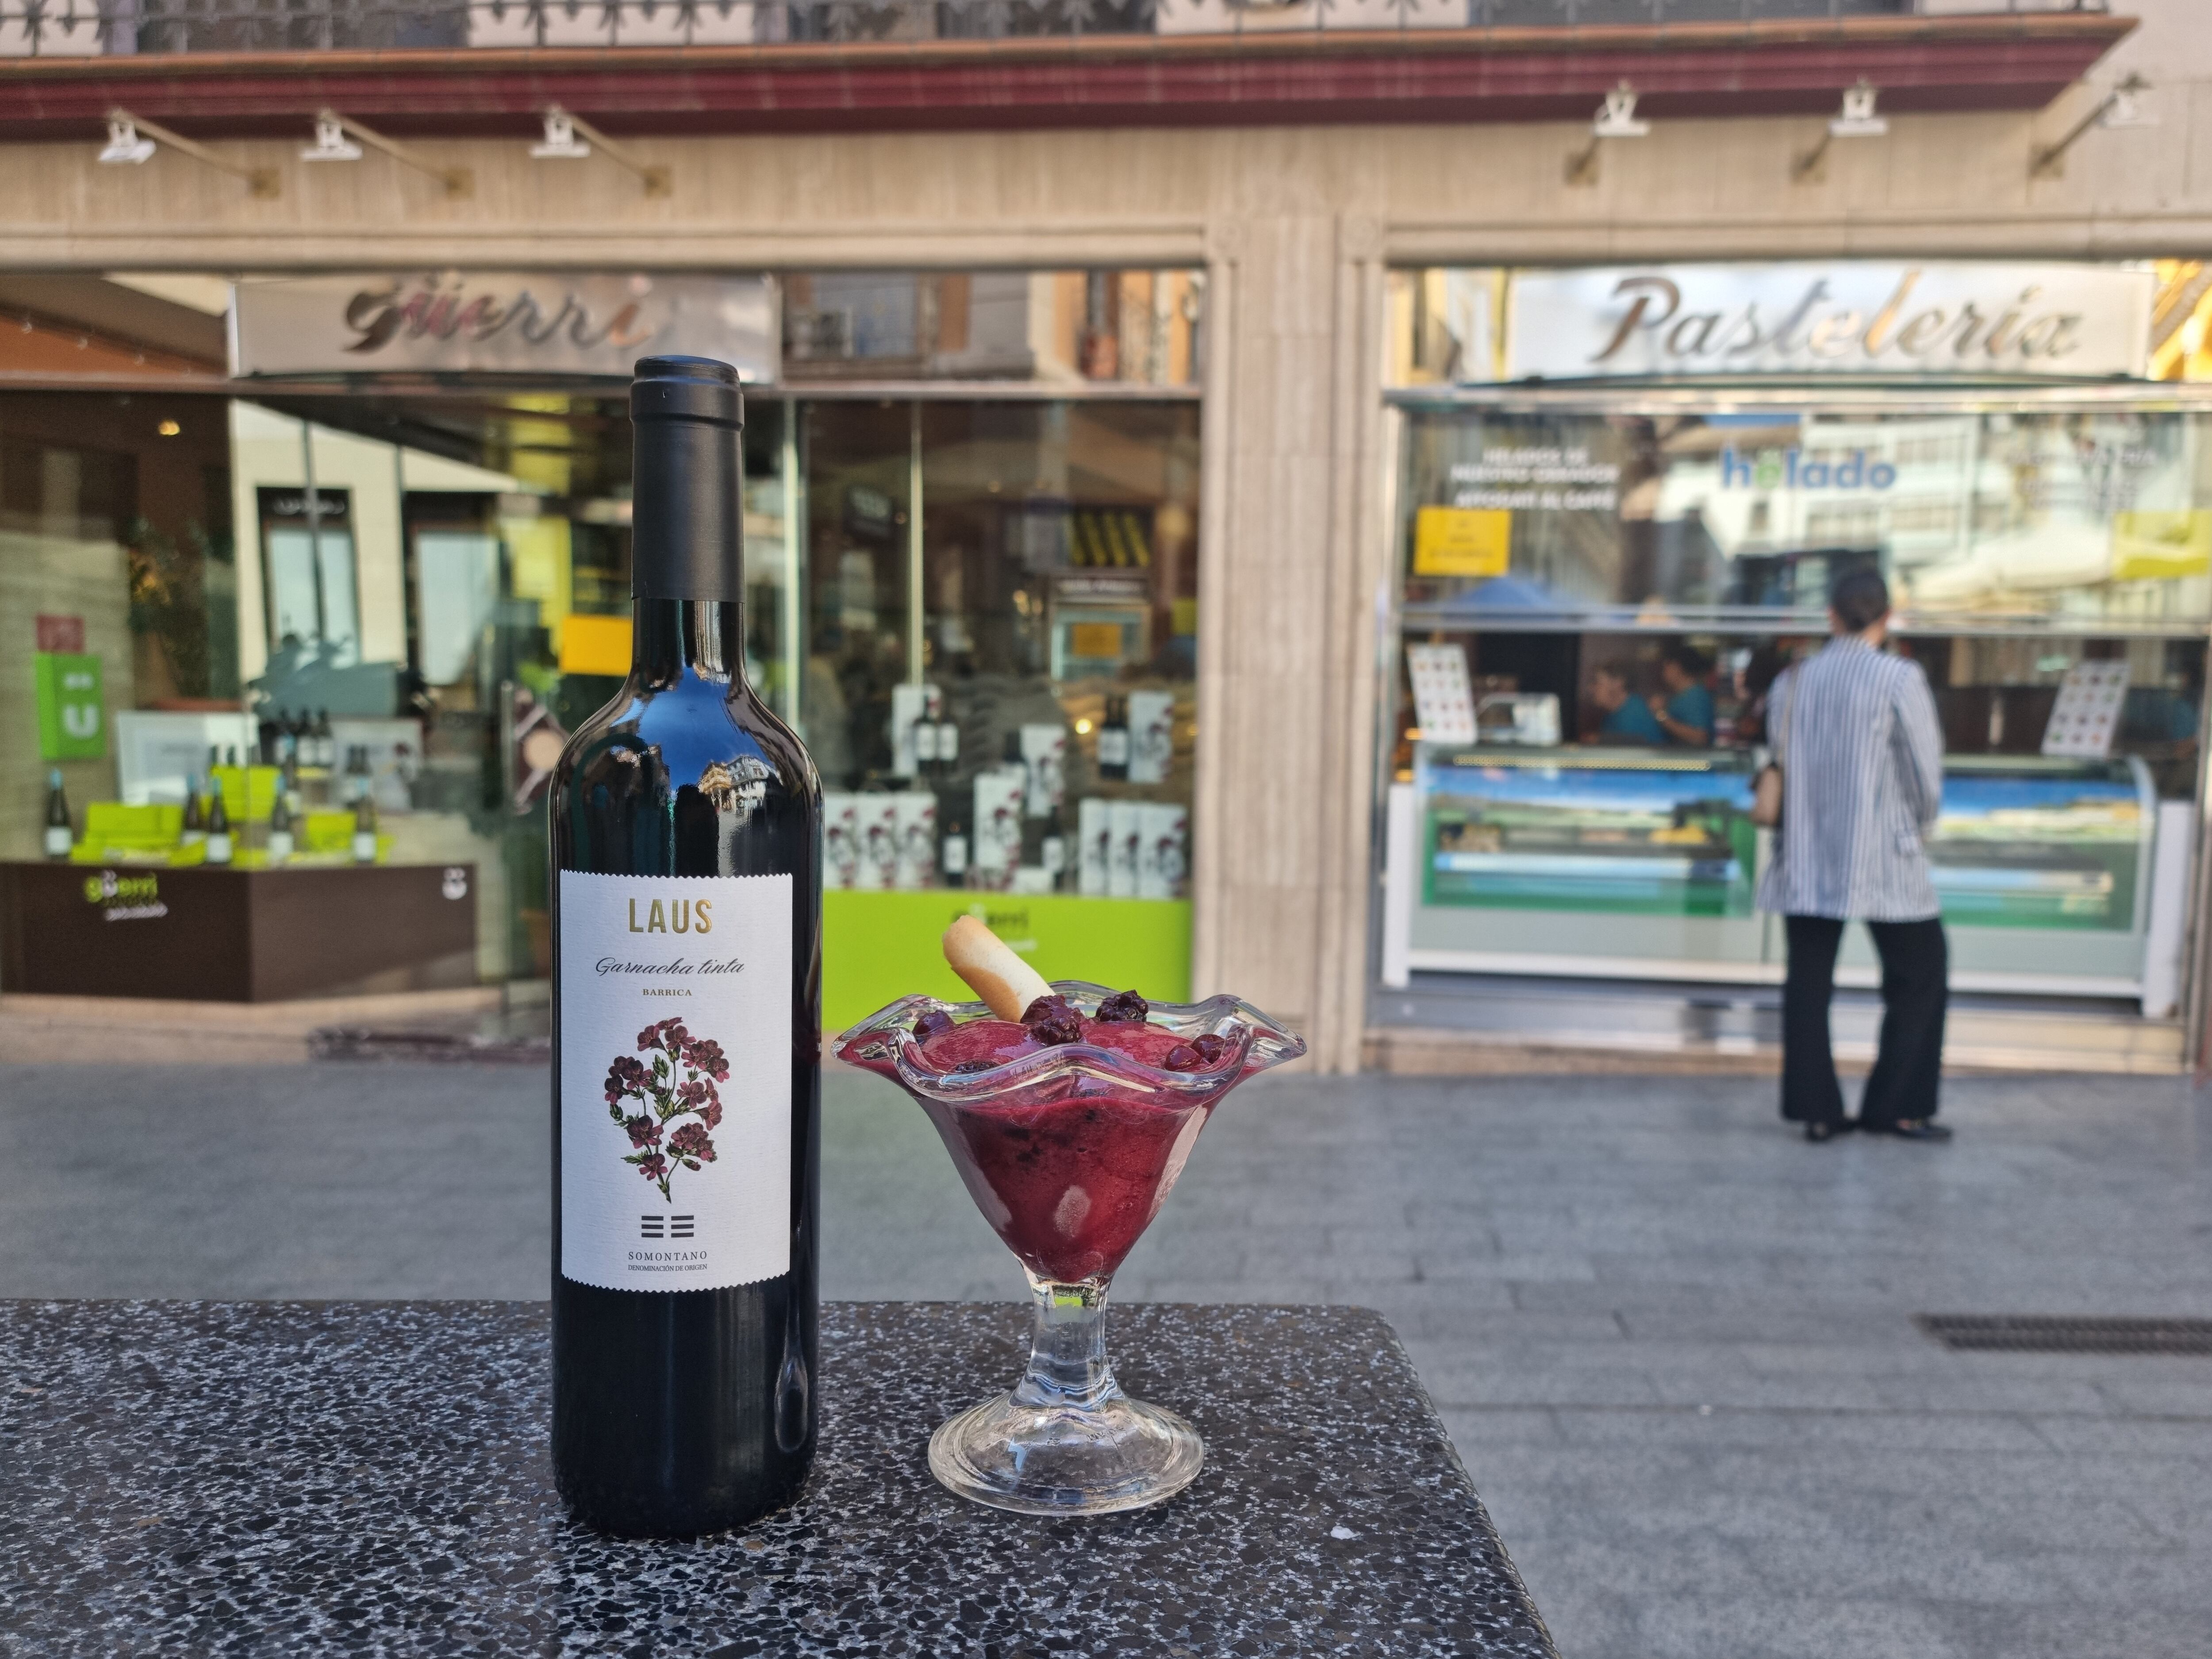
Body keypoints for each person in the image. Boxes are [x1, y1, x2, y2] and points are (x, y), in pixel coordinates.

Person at [1758, 570, 1951, 1144]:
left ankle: (1816, 1110)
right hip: (1884, 852)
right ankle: (1897, 1105)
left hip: (1808, 847)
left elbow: (1777, 751)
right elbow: (1923, 769)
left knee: (1809, 981)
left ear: (1833, 617)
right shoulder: (1900, 677)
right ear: (1886, 617)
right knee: (1921, 973)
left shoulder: (1792, 681)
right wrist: (1920, 824)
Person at [1650, 643, 1714, 747]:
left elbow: (1699, 737)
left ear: (1677, 667)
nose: (1663, 673)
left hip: (1694, 760)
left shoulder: (1695, 696)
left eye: (1666, 667)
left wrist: (1660, 715)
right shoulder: (1682, 695)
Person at [1586, 659, 1665, 744]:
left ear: (1618, 683)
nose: (1590, 689)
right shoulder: (1613, 715)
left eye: (1597, 683)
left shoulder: (1636, 715)